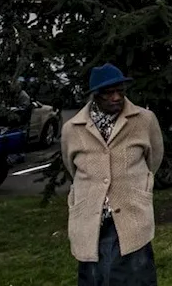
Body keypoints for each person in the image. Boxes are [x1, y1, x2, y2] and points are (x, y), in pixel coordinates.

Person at [61, 63, 164, 286]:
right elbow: (71, 167)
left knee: (135, 275)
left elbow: (153, 159)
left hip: (131, 214)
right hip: (91, 218)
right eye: (108, 93)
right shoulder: (72, 129)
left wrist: (136, 187)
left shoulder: (144, 120)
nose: (116, 97)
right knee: (97, 277)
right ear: (95, 96)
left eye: (120, 91)